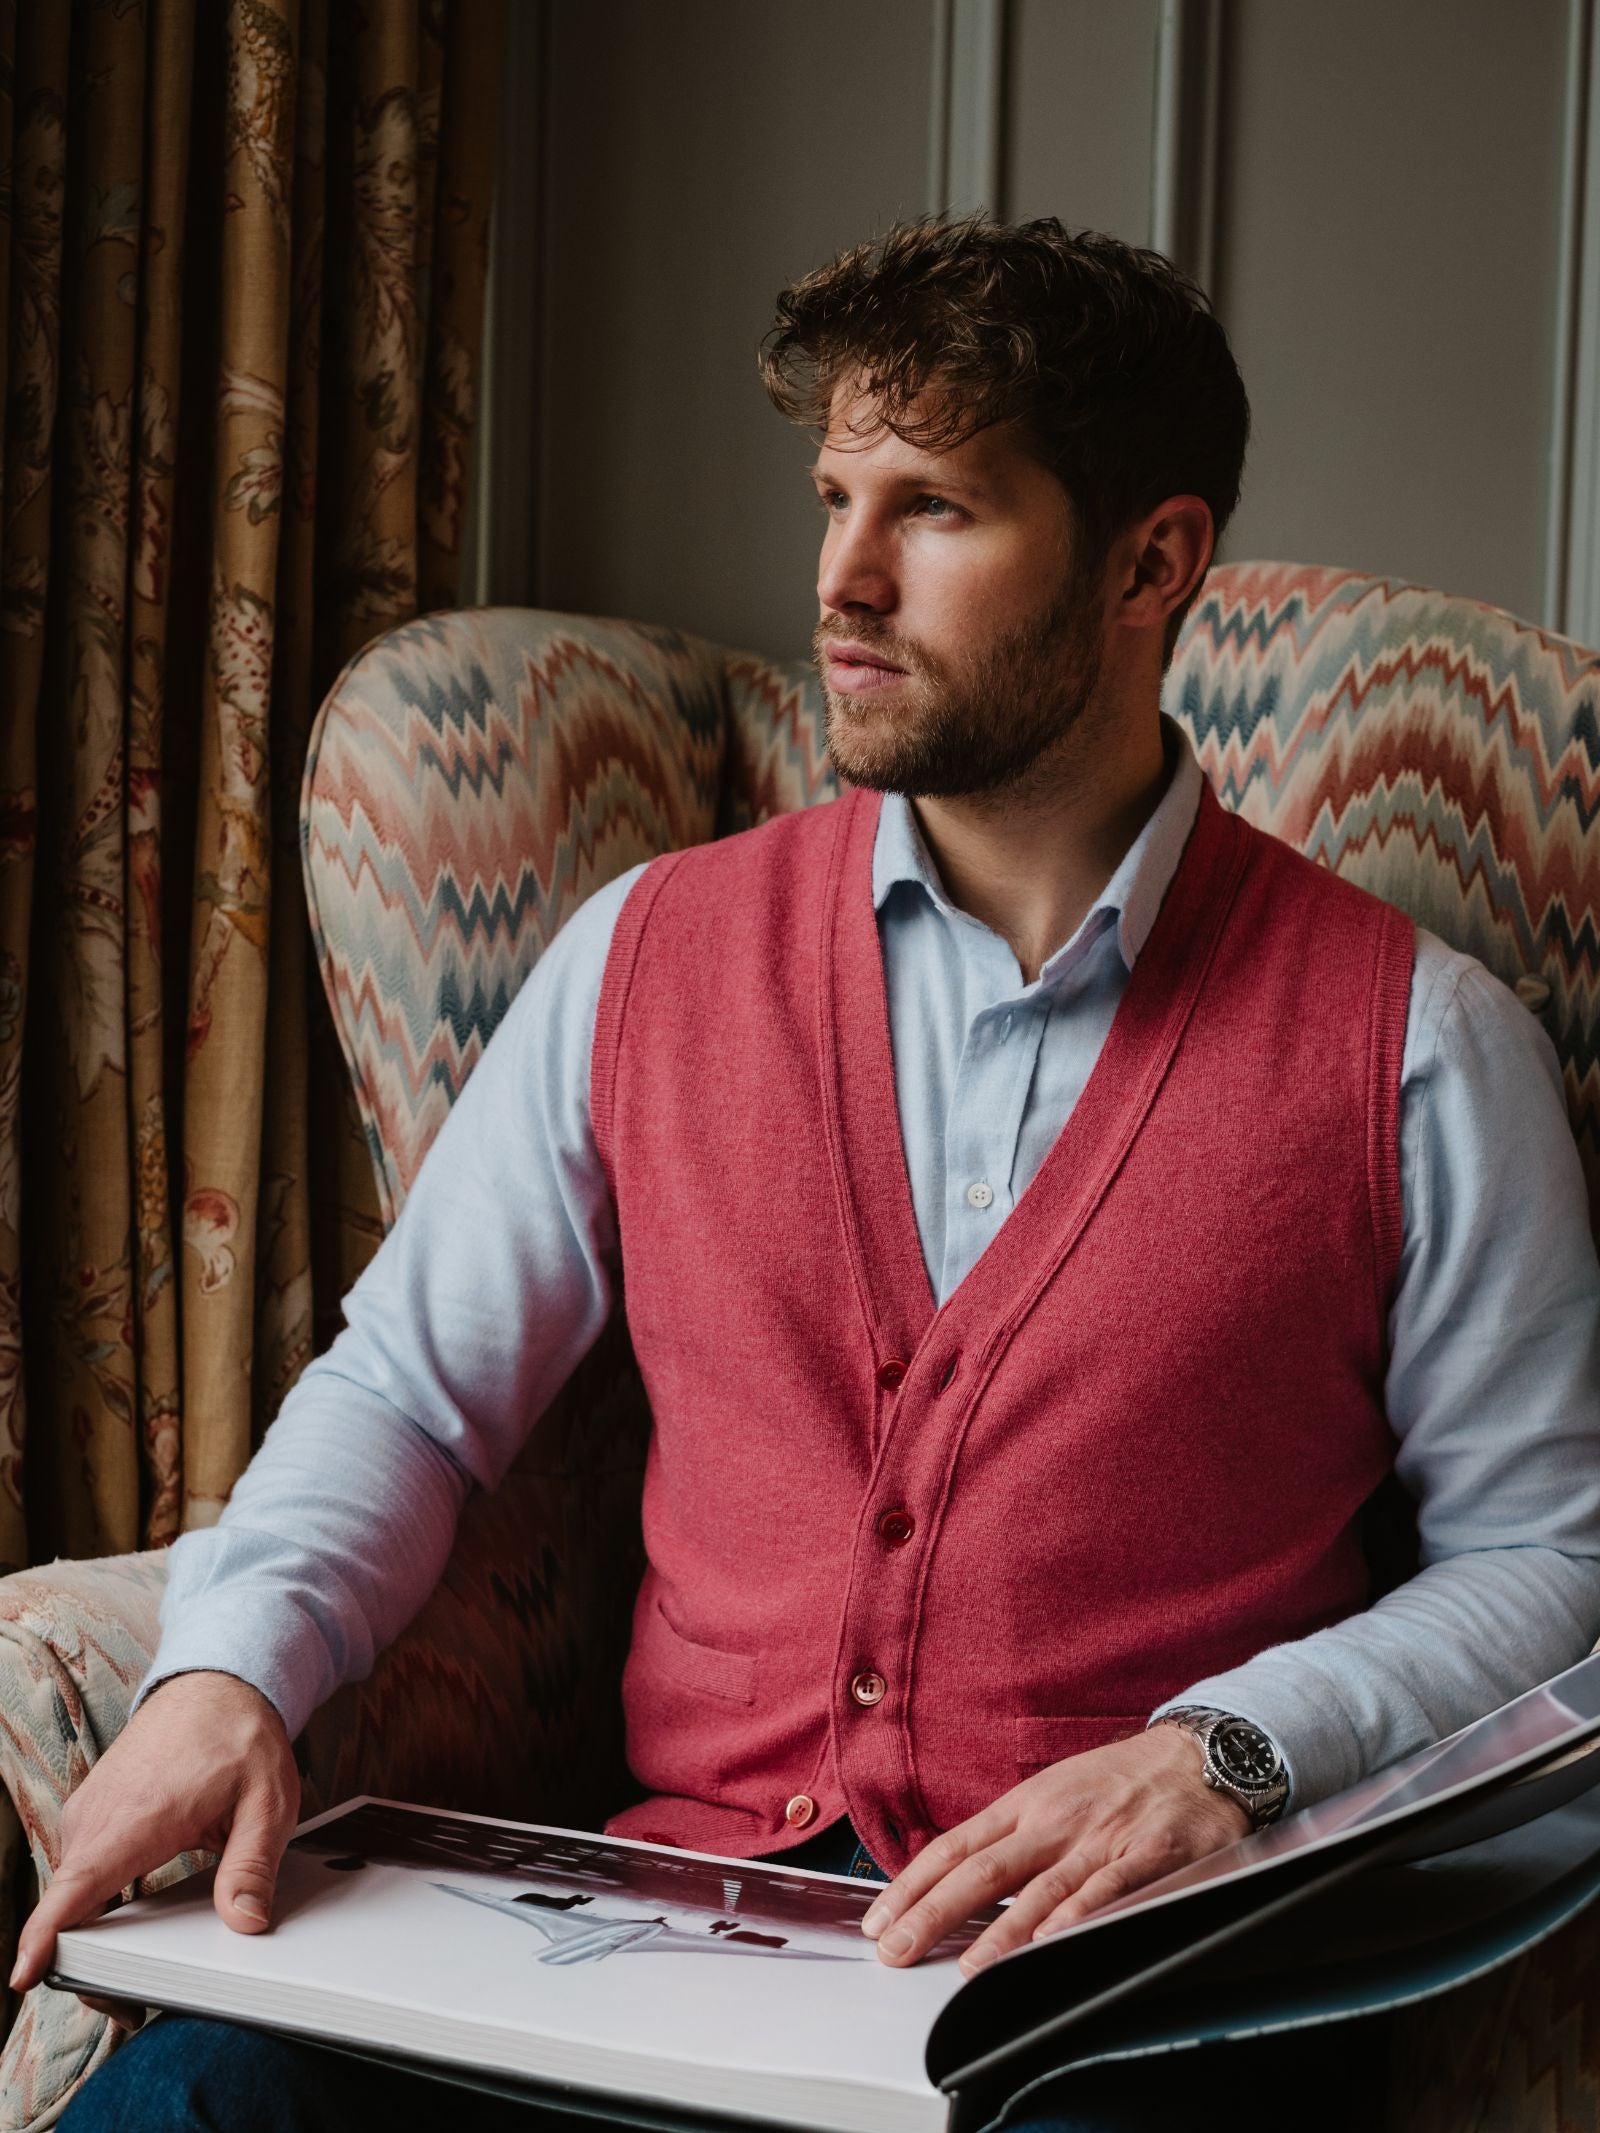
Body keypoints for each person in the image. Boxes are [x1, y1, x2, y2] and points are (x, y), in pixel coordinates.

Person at [27, 215, 1600, 2131]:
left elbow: (1551, 1555)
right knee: (185, 2109)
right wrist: (231, 1672)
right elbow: (414, 1391)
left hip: (1108, 2000)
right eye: (835, 494)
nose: (842, 579)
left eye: (932, 508)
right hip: (657, 1944)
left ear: (1151, 559)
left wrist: (1235, 1752)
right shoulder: (645, 955)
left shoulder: (1424, 1047)